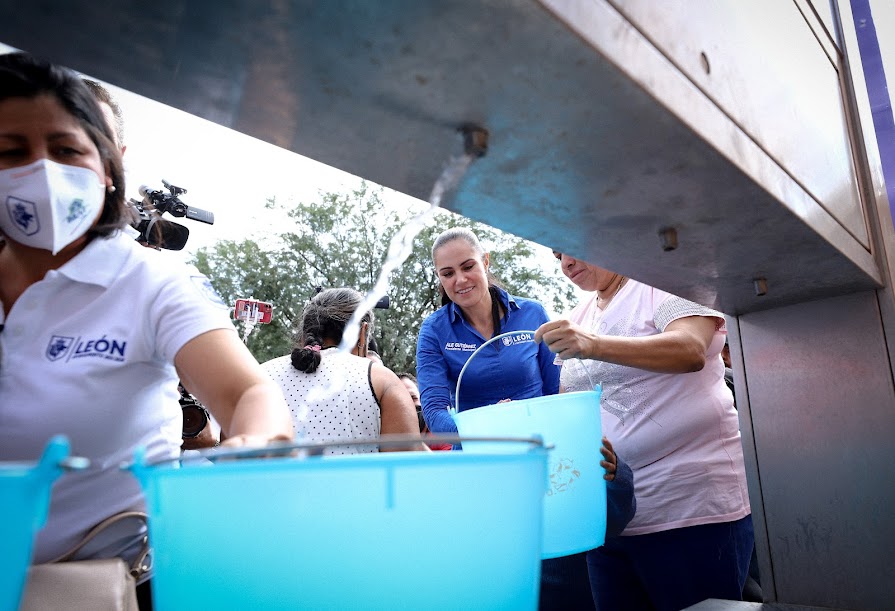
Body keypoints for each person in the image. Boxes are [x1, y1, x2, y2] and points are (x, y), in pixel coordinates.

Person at [0, 52, 293, 605]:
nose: (42, 171)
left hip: (101, 588)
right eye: (11, 152)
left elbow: (248, 391)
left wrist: (256, 445)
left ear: (108, 168)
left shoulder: (152, 284)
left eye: (65, 150)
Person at [535, 251, 754, 611]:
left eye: (571, 247)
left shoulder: (667, 283)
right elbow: (575, 406)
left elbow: (690, 348)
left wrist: (593, 344)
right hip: (611, 516)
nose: (566, 263)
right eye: (557, 256)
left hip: (688, 507)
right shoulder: (581, 315)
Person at [415, 227, 560, 433]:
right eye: (448, 273)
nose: (460, 280)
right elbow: (434, 412)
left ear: (485, 261)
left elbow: (556, 392)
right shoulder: (434, 331)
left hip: (538, 445)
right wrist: (489, 425)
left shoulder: (533, 314)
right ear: (439, 277)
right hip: (478, 454)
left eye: (468, 267)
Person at [262, 288, 424, 454]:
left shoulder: (261, 376)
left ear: (305, 334)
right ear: (363, 332)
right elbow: (406, 470)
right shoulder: (383, 381)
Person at [396, 372, 452, 451]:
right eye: (400, 400)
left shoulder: (441, 432)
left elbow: (453, 462)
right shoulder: (385, 439)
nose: (409, 405)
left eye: (413, 397)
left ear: (423, 399)